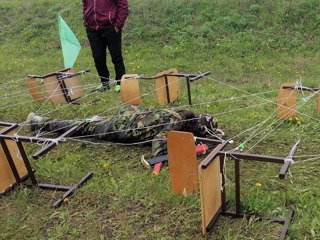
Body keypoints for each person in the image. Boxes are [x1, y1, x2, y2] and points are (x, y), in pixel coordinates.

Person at [27, 105, 223, 157]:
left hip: (129, 114)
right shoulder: (176, 126)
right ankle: (41, 123)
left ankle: (43, 122)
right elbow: (159, 148)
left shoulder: (183, 114)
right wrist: (189, 149)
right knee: (82, 127)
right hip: (122, 128)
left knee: (88, 123)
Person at [82, 0, 129, 92]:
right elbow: (85, 4)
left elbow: (123, 5)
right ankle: (104, 83)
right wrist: (86, 19)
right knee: (98, 57)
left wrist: (118, 25)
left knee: (116, 57)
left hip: (110, 27)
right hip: (92, 29)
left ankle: (120, 82)